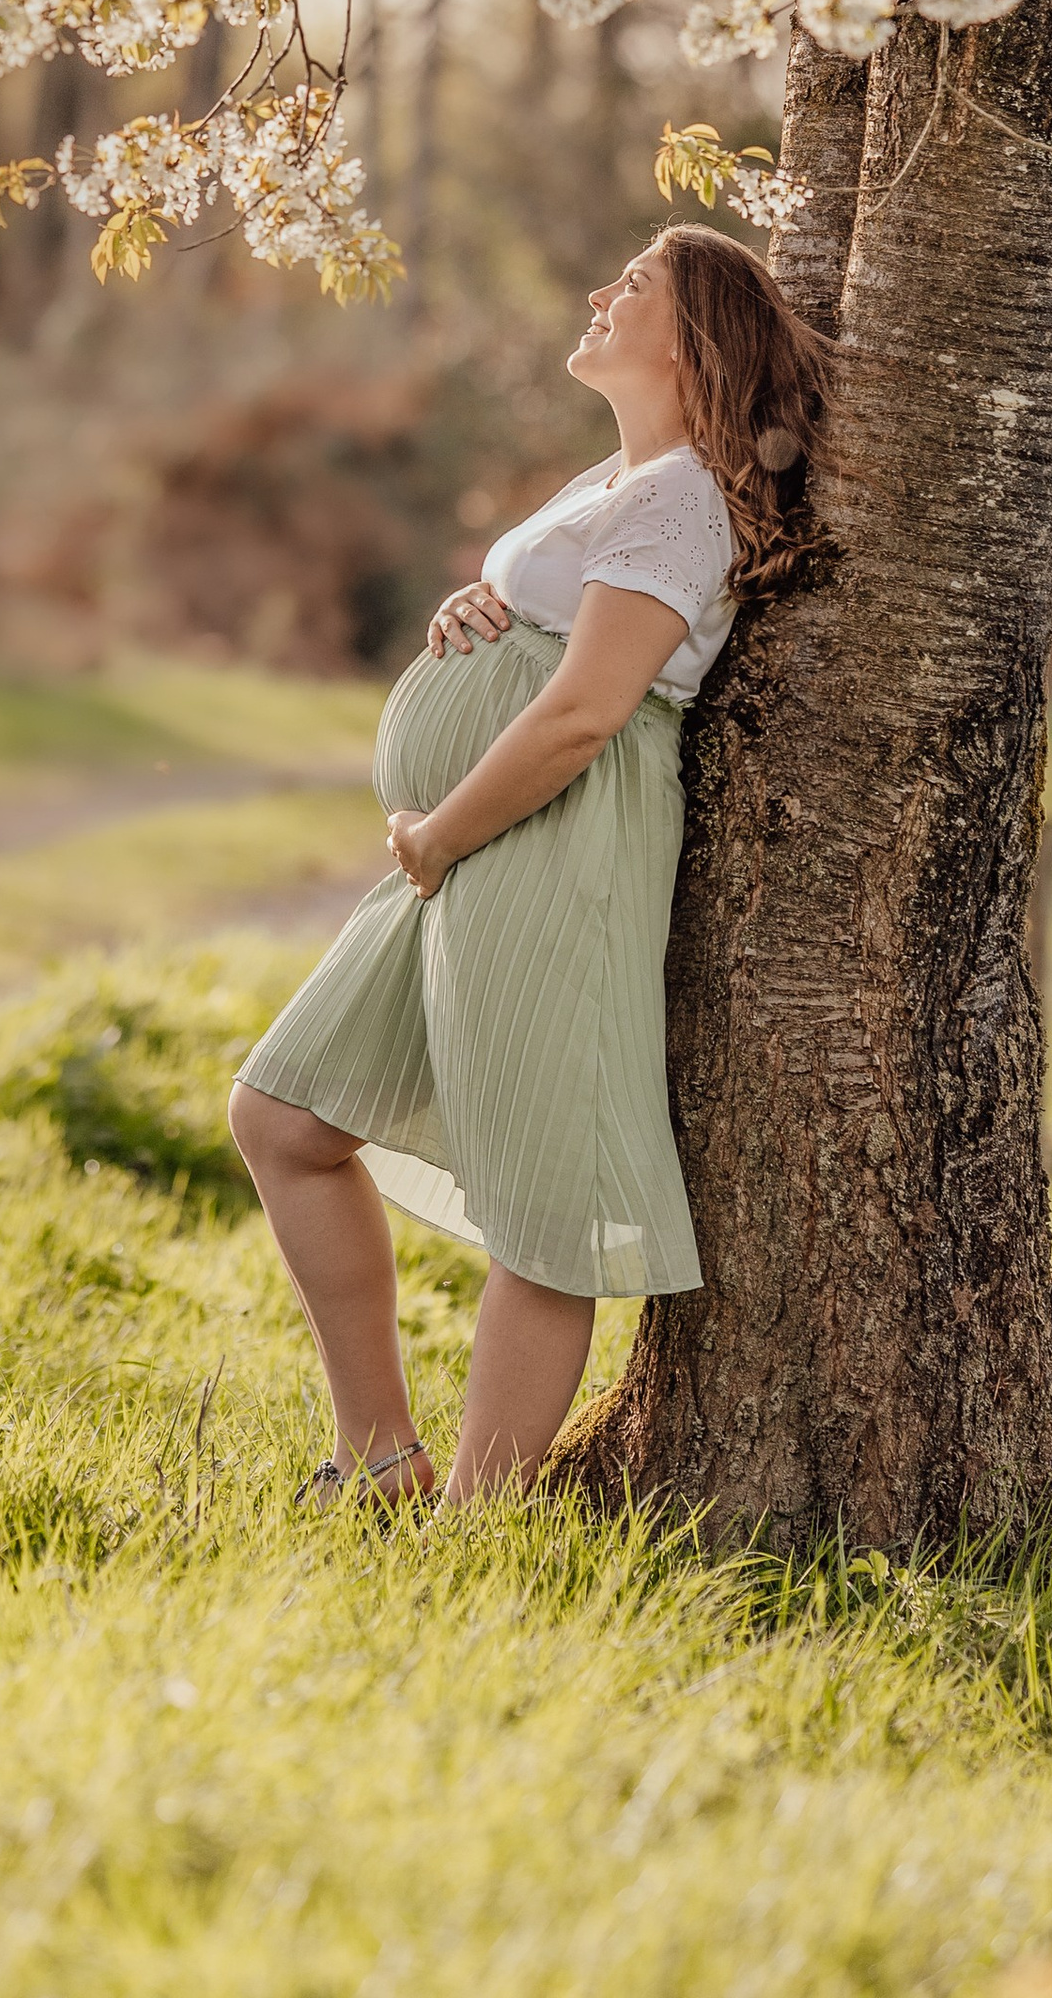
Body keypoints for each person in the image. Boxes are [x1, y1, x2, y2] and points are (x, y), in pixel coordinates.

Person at [229, 221, 830, 1505]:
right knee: (282, 1118)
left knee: (541, 1208)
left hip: (542, 837)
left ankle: (470, 1526)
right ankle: (381, 1456)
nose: (601, 292)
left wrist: (441, 833)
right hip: (471, 843)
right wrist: (476, 611)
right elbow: (551, 638)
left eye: (636, 285)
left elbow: (583, 711)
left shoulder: (680, 493)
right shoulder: (623, 478)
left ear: (689, 338)